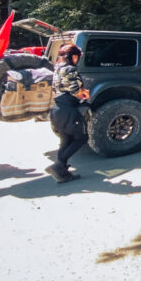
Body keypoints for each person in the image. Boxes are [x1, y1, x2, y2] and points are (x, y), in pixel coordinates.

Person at [46, 43, 90, 183]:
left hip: (57, 109)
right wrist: (84, 94)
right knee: (81, 138)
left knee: (66, 139)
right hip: (68, 110)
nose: (78, 60)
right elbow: (75, 90)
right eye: (77, 57)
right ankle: (58, 165)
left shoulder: (57, 68)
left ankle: (62, 172)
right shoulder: (70, 69)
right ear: (73, 56)